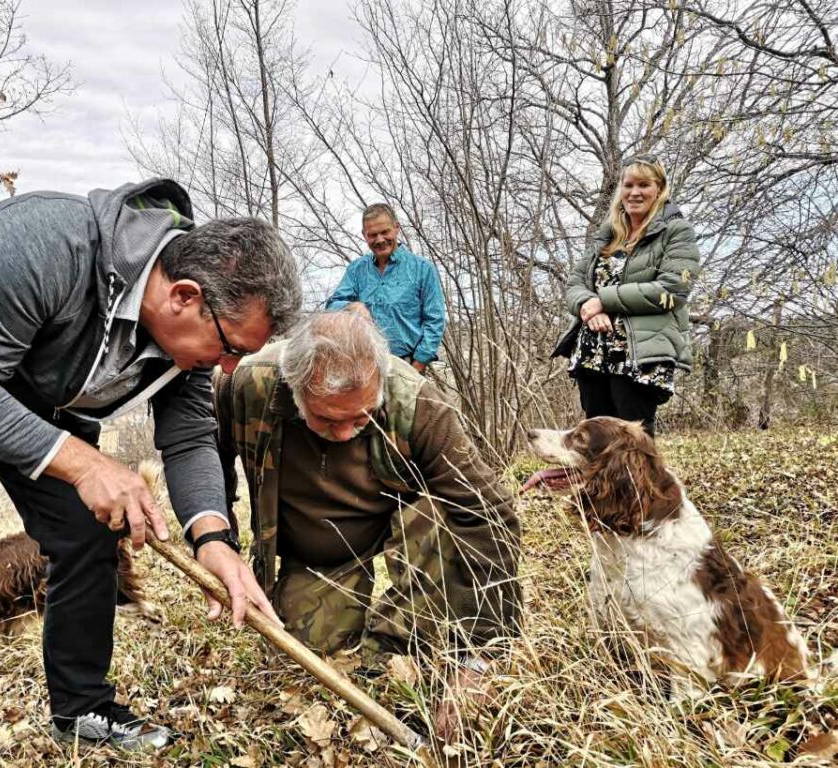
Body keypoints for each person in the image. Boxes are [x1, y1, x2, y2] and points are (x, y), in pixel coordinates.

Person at [0, 178, 302, 767]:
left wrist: (212, 539)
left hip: (25, 381)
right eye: (231, 346)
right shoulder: (48, 242)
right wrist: (85, 462)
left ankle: (82, 708)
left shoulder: (188, 339)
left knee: (91, 532)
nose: (229, 366)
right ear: (184, 296)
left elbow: (188, 437)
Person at [214, 311, 520, 737]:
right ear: (295, 389)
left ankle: (401, 638)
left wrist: (482, 654)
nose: (343, 434)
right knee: (310, 662)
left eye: (361, 419)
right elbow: (210, 461)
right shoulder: (248, 384)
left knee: (443, 512)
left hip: (404, 528)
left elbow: (491, 513)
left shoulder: (417, 403)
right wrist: (219, 538)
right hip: (318, 553)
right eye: (326, 420)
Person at [552, 155, 700, 437]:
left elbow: (673, 289)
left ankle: (641, 485)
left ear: (660, 188)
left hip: (639, 355)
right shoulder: (607, 234)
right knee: (595, 444)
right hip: (592, 352)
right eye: (628, 184)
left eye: (644, 185)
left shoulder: (676, 231)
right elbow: (575, 283)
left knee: (634, 445)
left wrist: (603, 301)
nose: (634, 192)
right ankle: (598, 485)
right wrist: (587, 306)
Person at [325, 204, 446, 373]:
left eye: (385, 232)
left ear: (397, 228)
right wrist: (352, 306)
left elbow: (435, 320)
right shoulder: (356, 270)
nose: (380, 240)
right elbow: (331, 306)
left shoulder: (423, 269)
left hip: (408, 365)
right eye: (372, 235)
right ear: (364, 235)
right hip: (364, 367)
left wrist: (417, 366)